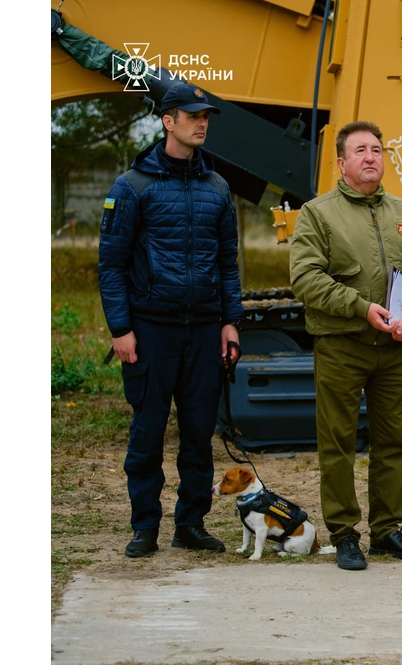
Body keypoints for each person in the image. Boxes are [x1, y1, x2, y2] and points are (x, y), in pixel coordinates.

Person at [289, 120, 402, 570]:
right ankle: (343, 535)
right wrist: (361, 308)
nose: (371, 157)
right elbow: (305, 278)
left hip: (394, 349)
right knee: (337, 443)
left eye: (377, 149)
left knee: (392, 442)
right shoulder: (318, 213)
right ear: (341, 163)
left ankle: (387, 531)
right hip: (342, 344)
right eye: (360, 150)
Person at [98, 82, 243, 558]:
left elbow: (227, 262)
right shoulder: (132, 186)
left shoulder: (217, 187)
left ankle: (191, 524)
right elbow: (112, 264)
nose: (202, 123)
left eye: (206, 116)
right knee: (147, 433)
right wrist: (121, 329)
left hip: (204, 331)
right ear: (167, 120)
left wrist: (230, 321)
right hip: (150, 332)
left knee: (199, 435)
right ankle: (145, 527)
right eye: (192, 115)